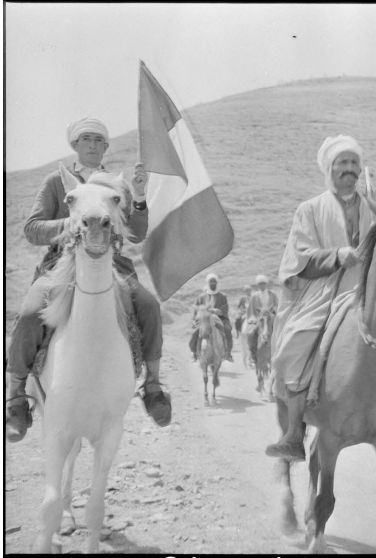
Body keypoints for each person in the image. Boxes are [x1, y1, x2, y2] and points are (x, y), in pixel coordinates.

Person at [264, 134, 376, 461]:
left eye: (353, 163)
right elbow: (297, 259)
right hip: (324, 292)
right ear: (329, 169)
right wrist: (336, 255)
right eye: (342, 163)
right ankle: (293, 431)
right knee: (295, 343)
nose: (349, 169)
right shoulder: (309, 210)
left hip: (373, 292)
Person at [5, 117, 172, 443]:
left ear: (106, 146)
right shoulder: (57, 182)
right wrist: (69, 223)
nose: (93, 144)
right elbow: (32, 228)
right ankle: (15, 398)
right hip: (62, 265)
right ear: (75, 145)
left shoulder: (116, 185)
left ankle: (152, 385)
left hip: (114, 266)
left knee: (150, 306)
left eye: (99, 140)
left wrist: (137, 197)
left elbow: (135, 233)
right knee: (29, 313)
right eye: (86, 139)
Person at [189, 273, 234, 362]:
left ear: (217, 283)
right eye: (211, 281)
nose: (213, 283)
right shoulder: (201, 297)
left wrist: (217, 311)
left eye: (214, 281)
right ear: (207, 283)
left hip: (220, 319)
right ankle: (194, 352)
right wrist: (197, 318)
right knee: (195, 331)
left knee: (227, 329)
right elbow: (196, 310)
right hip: (204, 320)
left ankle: (228, 353)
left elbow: (224, 309)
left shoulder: (222, 296)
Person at [246, 275, 279, 365]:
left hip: (271, 318)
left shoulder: (273, 294)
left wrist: (272, 313)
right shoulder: (254, 296)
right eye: (260, 284)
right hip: (258, 320)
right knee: (250, 333)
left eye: (264, 283)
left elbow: (277, 306)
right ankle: (253, 355)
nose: (262, 286)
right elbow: (251, 311)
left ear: (266, 284)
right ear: (257, 285)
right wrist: (254, 319)